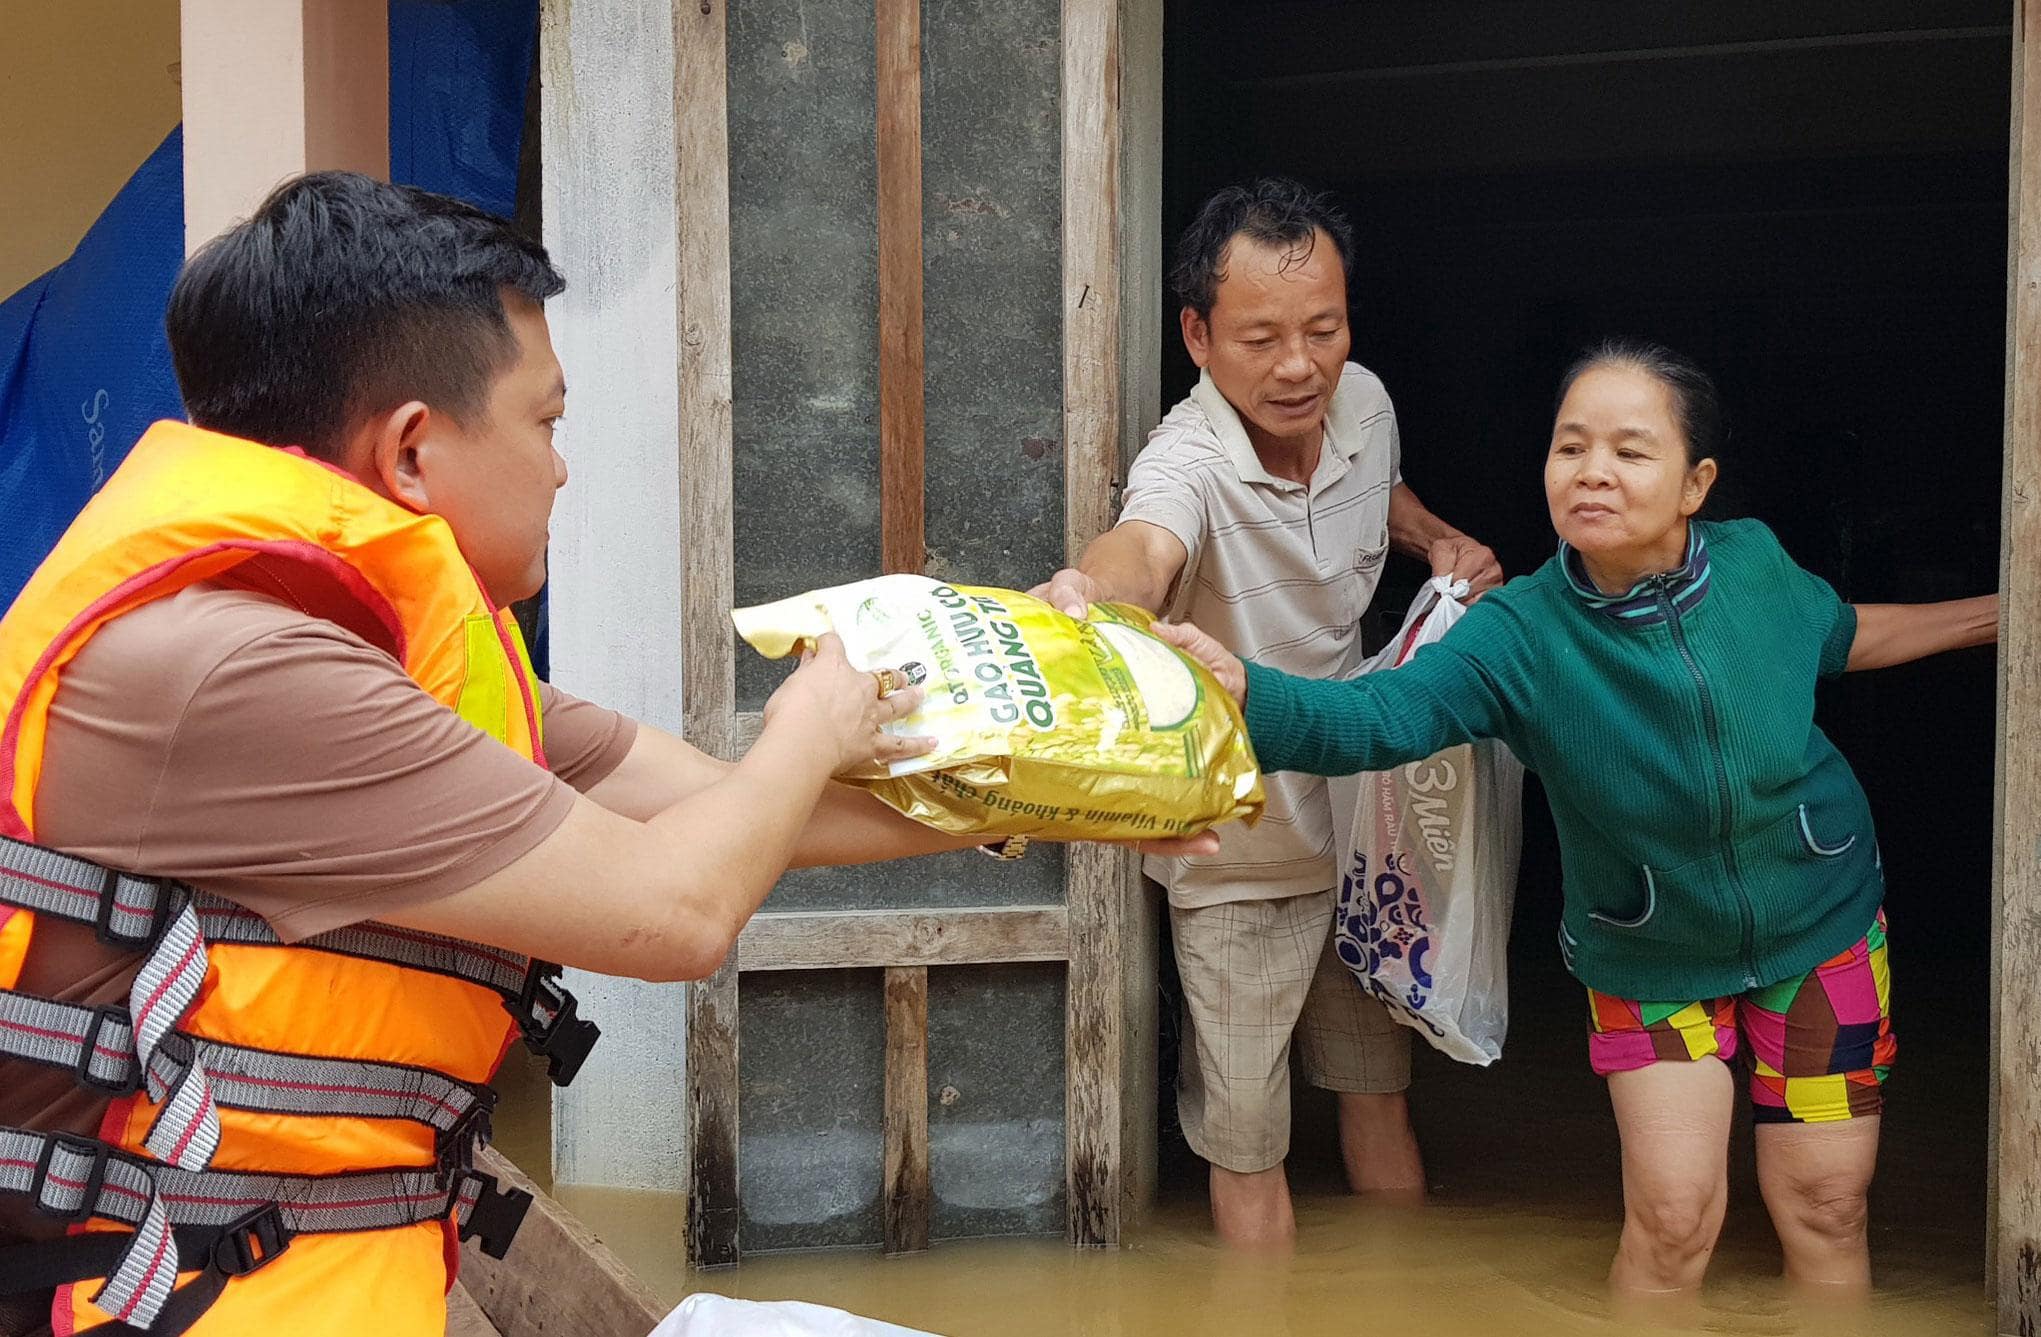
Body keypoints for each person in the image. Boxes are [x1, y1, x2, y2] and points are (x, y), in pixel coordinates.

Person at [0, 172, 1210, 1337]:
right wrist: (807, 720)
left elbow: (732, 808)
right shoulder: (245, 675)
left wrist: (1083, 777)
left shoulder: (380, 652)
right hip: (181, 1297)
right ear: (413, 450)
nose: (563, 465)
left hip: (320, 1267)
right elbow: (674, 909)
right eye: (547, 420)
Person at [1156, 337, 1999, 1296]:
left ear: (1695, 483)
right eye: (1571, 447)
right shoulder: (1522, 632)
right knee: (1675, 1219)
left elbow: (1840, 632)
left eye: (1630, 451)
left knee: (1827, 1208)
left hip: (1822, 928)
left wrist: (2001, 614)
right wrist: (1242, 691)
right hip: (1648, 955)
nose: (1592, 471)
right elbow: (1382, 717)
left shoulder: (1756, 564)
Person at [1034, 177, 1502, 1249]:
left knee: (1378, 1091)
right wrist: (1081, 600)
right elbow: (1141, 550)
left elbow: (1373, 483)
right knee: (1248, 1139)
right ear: (1197, 335)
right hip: (1235, 857)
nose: (1299, 365)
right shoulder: (1184, 462)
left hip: (1366, 838)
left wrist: (1431, 537)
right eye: (1261, 337)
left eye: (1322, 328)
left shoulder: (1366, 402)